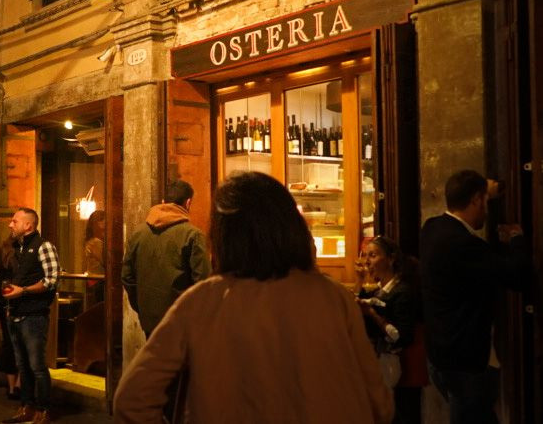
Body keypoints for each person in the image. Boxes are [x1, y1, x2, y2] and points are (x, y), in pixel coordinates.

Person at [113, 171, 392, 423]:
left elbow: (133, 400)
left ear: (223, 235)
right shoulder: (334, 298)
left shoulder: (200, 302)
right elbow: (379, 402)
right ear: (292, 227)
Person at [420, 169, 531, 424]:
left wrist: (484, 191)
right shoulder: (464, 245)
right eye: (484, 202)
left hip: (440, 357)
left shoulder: (432, 229)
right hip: (465, 363)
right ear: (476, 200)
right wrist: (516, 239)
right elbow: (519, 276)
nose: (486, 211)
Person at [121, 179, 211, 338]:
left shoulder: (138, 234)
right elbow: (203, 283)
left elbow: (127, 277)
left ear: (163, 202)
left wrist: (142, 307)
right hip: (182, 321)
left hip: (149, 321)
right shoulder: (193, 235)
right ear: (188, 203)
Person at [356, 236, 424, 424]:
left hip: (405, 369)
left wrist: (373, 314)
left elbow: (402, 336)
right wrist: (360, 281)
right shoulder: (379, 290)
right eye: (366, 256)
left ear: (391, 259)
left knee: (404, 414)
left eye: (373, 255)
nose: (367, 261)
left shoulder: (402, 291)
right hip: (387, 368)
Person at [0, 208, 59, 424]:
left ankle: (43, 410)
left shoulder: (43, 246)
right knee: (23, 366)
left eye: (14, 221)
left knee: (37, 366)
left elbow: (52, 280)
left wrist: (23, 291)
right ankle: (27, 406)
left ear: (28, 225)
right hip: (15, 314)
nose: (10, 224)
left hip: (34, 316)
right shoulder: (18, 248)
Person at [0, 236, 19, 400]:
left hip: (2, 305)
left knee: (9, 343)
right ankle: (18, 385)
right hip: (14, 305)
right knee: (19, 344)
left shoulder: (0, 277)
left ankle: (12, 387)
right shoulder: (17, 275)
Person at [82, 209, 106, 307]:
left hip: (94, 280)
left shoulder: (92, 241)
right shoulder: (96, 242)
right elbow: (105, 261)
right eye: (103, 219)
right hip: (98, 280)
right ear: (98, 223)